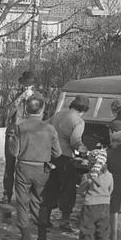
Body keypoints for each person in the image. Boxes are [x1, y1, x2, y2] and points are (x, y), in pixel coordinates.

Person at [6, 95, 61, 240]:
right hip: (42, 170)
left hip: (24, 167)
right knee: (39, 203)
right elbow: (57, 153)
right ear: (42, 110)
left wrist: (11, 140)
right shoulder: (50, 129)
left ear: (26, 109)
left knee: (23, 203)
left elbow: (14, 151)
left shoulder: (20, 127)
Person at [41, 95, 90, 232]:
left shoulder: (58, 114)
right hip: (65, 157)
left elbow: (45, 125)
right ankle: (65, 221)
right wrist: (85, 151)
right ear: (84, 110)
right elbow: (75, 141)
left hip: (50, 156)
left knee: (51, 185)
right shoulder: (79, 121)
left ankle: (45, 218)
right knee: (68, 188)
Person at [0, 70, 39, 205]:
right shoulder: (14, 94)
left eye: (29, 86)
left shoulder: (38, 97)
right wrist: (20, 98)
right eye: (25, 85)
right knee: (9, 165)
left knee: (25, 166)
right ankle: (7, 193)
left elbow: (40, 116)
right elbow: (8, 112)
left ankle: (24, 195)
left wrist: (31, 100)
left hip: (28, 134)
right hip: (13, 133)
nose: (27, 88)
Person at [76, 149, 114, 240]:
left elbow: (80, 191)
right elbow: (111, 190)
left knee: (87, 226)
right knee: (103, 226)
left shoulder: (87, 176)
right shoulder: (109, 175)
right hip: (105, 205)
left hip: (90, 205)